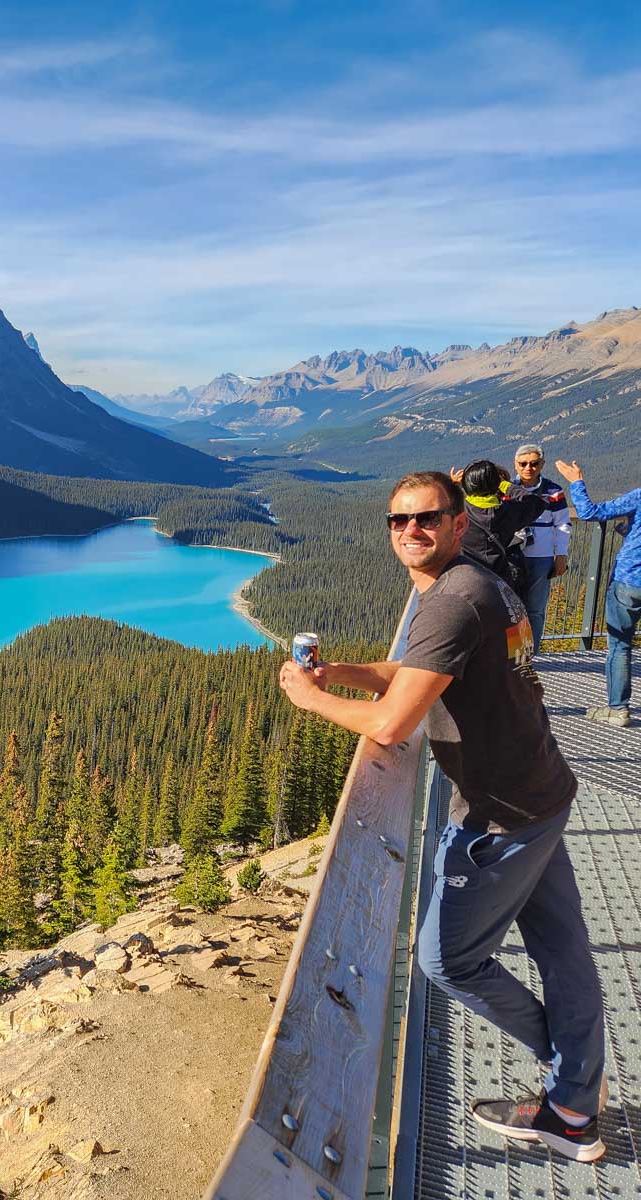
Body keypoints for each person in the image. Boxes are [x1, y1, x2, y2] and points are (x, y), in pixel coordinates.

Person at [279, 470, 606, 1162]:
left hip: (501, 814)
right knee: (562, 950)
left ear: (460, 522)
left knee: (446, 959)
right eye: (397, 522)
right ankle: (576, 1102)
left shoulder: (452, 601)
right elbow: (417, 670)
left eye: (426, 518)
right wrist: (337, 671)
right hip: (543, 790)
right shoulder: (475, 584)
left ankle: (572, 1082)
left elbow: (395, 724)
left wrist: (309, 701)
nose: (410, 531)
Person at [555, 459, 641, 728]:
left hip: (629, 581)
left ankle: (618, 708)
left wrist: (576, 482)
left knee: (619, 645)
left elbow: (589, 512)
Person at [451, 459, 545, 590]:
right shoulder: (511, 511)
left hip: (466, 578)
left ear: (466, 484)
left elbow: (436, 505)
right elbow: (537, 503)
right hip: (501, 581)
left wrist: (453, 485)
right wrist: (504, 485)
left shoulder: (458, 511)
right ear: (496, 484)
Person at [513, 444, 571, 653]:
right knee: (512, 609)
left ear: (542, 465)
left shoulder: (554, 491)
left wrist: (561, 555)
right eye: (523, 463)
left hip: (542, 557)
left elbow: (563, 524)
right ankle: (514, 655)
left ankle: (531, 654)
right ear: (516, 465)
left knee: (535, 610)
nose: (528, 467)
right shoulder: (506, 489)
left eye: (534, 463)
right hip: (512, 557)